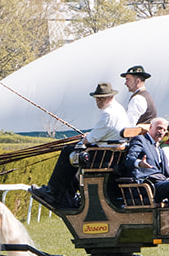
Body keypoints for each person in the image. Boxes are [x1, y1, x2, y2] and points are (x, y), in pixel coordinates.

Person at [30, 81, 132, 209]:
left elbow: (92, 138)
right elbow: (101, 133)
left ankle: (53, 192)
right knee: (72, 158)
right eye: (97, 98)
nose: (98, 101)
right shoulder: (119, 109)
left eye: (102, 98)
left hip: (103, 156)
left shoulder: (108, 113)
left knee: (68, 151)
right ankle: (65, 196)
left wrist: (84, 139)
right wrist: (90, 136)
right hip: (111, 153)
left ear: (111, 97)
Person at [124, 117, 169, 206]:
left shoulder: (158, 148)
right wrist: (139, 163)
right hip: (144, 185)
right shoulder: (140, 140)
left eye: (164, 130)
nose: (161, 132)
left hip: (158, 182)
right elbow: (129, 159)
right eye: (159, 128)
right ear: (151, 127)